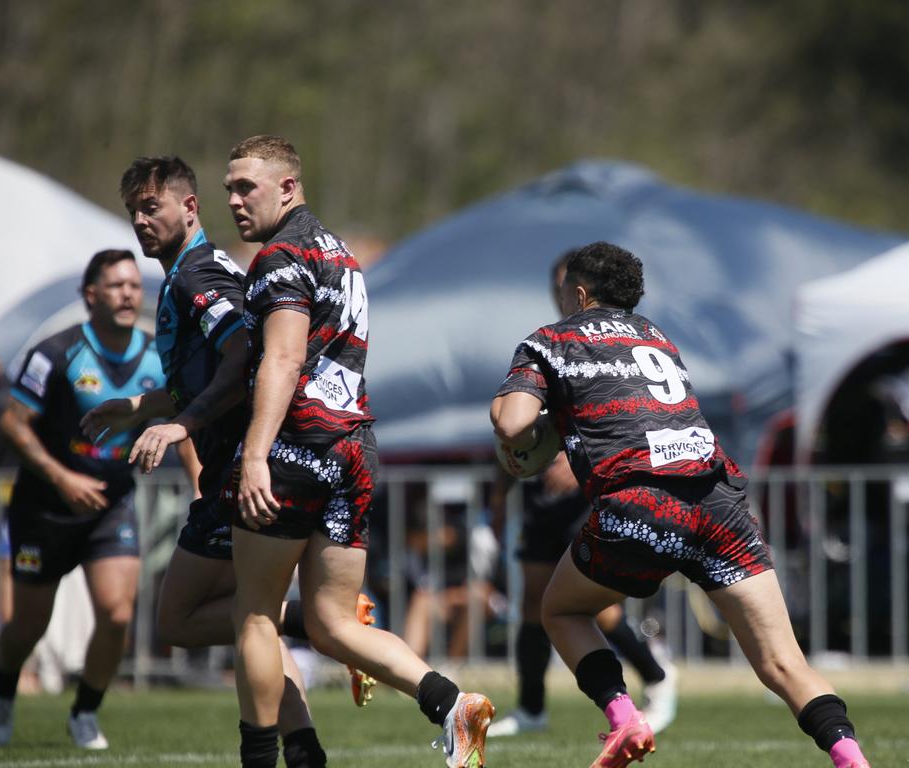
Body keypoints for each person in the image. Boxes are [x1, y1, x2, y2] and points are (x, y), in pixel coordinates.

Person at [490, 242, 871, 768]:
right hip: (719, 500)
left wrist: (515, 415)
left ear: (578, 293)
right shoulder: (656, 336)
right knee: (784, 663)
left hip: (642, 503)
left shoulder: (550, 340)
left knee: (561, 609)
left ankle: (624, 718)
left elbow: (512, 424)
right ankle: (851, 757)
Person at [222, 135, 493, 768]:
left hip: (295, 447)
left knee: (256, 614)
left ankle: (262, 759)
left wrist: (256, 453)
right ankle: (452, 703)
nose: (233, 200)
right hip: (353, 451)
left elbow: (286, 356)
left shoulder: (282, 257)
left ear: (288, 188)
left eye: (246, 187)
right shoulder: (341, 253)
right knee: (332, 624)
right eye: (229, 187)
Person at [80, 155, 327, 768]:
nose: (140, 219)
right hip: (231, 467)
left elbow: (244, 358)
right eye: (133, 209)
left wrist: (178, 425)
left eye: (152, 206)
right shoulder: (184, 275)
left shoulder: (199, 274)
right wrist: (139, 405)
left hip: (240, 469)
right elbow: (206, 375)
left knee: (184, 619)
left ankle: (320, 625)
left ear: (189, 207)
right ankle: (303, 748)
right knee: (244, 618)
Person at [489, 252, 676, 738]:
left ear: (583, 289)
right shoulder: (547, 347)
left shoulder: (606, 348)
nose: (564, 294)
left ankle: (655, 677)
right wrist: (501, 487)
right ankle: (532, 708)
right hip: (538, 502)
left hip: (589, 494)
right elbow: (517, 433)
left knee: (592, 606)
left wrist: (578, 470)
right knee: (533, 602)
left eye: (568, 285)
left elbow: (621, 421)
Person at [0, 250, 169, 749]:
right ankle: (3, 693)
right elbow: (12, 422)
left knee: (117, 613)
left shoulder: (159, 354)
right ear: (90, 294)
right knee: (29, 623)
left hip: (110, 504)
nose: (128, 294)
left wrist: (201, 483)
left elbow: (186, 418)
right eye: (115, 285)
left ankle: (85, 711)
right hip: (44, 507)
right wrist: (60, 476)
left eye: (134, 285)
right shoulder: (56, 351)